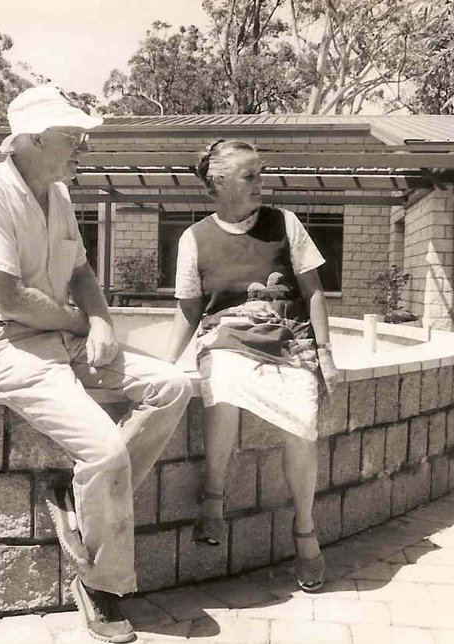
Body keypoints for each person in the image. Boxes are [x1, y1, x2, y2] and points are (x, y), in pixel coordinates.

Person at [0, 86, 191, 643]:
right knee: (105, 450)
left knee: (172, 384)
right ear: (34, 139)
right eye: (72, 135)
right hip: (0, 342)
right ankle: (101, 584)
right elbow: (8, 297)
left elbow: (80, 271)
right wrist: (86, 327)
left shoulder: (57, 194)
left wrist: (104, 322)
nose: (84, 143)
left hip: (60, 336)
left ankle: (80, 504)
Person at [164, 139, 339, 592]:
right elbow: (189, 310)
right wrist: (165, 366)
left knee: (303, 422)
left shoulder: (285, 223)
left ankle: (304, 528)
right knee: (220, 382)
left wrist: (325, 353)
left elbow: (314, 291)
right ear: (219, 183)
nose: (262, 183)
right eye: (250, 176)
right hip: (228, 338)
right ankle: (213, 500)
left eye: (261, 173)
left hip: (289, 340)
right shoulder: (195, 239)